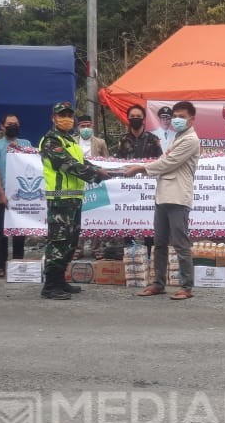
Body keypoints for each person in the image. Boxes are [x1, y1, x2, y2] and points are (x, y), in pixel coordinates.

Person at [123, 101, 201, 300]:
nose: (177, 119)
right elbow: (165, 162)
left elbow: (168, 162)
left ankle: (186, 286)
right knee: (159, 243)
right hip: (163, 195)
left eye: (182, 116)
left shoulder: (191, 139)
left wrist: (140, 168)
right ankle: (158, 283)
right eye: (175, 116)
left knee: (180, 244)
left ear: (192, 119)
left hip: (178, 197)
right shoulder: (177, 137)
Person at [39, 101, 111, 300]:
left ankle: (60, 280)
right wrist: (96, 174)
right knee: (58, 242)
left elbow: (81, 162)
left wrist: (98, 170)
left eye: (70, 115)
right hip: (60, 199)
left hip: (73, 198)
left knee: (70, 242)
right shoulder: (51, 140)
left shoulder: (70, 141)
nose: (67, 119)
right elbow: (67, 165)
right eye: (62, 115)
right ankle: (50, 285)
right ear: (53, 118)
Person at [114, 104, 163, 260]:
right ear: (128, 119)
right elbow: (117, 163)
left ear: (144, 119)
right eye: (132, 116)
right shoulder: (123, 140)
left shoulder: (153, 139)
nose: (135, 119)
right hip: (128, 188)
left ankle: (150, 255)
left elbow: (160, 162)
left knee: (149, 221)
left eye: (138, 116)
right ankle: (130, 254)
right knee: (128, 221)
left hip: (148, 188)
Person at [0, 113, 32, 278]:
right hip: (1, 196)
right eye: (9, 123)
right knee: (1, 233)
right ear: (2, 126)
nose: (13, 126)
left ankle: (18, 264)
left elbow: (32, 166)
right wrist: (1, 194)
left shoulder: (26, 144)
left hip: (21, 197)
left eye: (16, 123)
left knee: (20, 232)